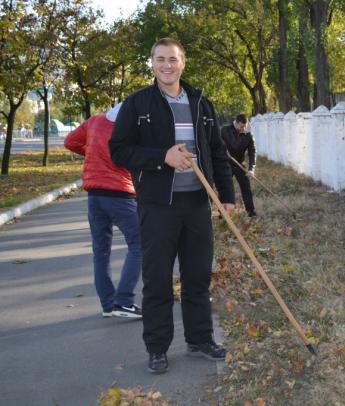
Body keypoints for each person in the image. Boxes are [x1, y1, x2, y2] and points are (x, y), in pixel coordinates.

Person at [109, 38, 235, 374]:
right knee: (157, 279)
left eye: (173, 59)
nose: (167, 65)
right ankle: (157, 348)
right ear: (151, 62)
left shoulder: (200, 103)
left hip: (196, 204)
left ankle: (200, 340)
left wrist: (226, 196)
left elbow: (217, 153)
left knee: (197, 276)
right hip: (157, 207)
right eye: (160, 59)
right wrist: (162, 158)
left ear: (183, 63)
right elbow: (118, 150)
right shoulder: (137, 104)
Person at [64, 103, 142, 319]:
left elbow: (70, 142)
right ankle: (124, 301)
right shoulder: (131, 130)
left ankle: (108, 304)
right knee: (140, 244)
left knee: (101, 250)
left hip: (94, 194)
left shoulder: (95, 121)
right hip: (119, 193)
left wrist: (90, 153)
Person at [221, 114, 257, 217]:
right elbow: (216, 144)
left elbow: (252, 152)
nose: (242, 129)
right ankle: (222, 213)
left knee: (246, 188)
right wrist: (224, 151)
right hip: (226, 164)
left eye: (244, 127)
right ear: (236, 123)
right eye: (241, 127)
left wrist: (251, 169)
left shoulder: (248, 135)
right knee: (225, 188)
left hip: (240, 164)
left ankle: (251, 211)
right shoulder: (225, 130)